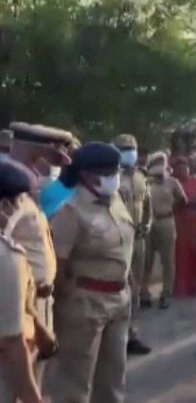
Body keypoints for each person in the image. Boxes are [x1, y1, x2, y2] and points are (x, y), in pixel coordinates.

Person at [46, 143, 135, 403]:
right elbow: (57, 268)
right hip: (84, 304)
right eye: (107, 173)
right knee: (75, 383)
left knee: (113, 380)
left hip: (119, 301)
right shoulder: (70, 211)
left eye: (115, 171)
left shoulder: (116, 201)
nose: (114, 177)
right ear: (87, 175)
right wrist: (70, 304)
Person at [4, 124, 68, 390]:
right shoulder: (9, 188)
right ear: (36, 152)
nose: (58, 157)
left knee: (35, 370)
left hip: (39, 299)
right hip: (21, 304)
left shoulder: (27, 184)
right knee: (16, 378)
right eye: (53, 151)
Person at [0, 160, 43, 403]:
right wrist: (32, 398)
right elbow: (10, 345)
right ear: (5, 205)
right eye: (18, 203)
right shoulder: (6, 257)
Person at [113, 134, 152, 356]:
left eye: (131, 148)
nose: (129, 152)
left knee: (135, 289)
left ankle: (131, 335)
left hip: (138, 239)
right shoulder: (110, 176)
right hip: (117, 241)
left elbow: (147, 205)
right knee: (118, 289)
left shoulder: (140, 176)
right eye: (124, 148)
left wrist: (147, 223)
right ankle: (115, 336)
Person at [141, 153, 185, 309]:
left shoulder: (172, 182)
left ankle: (166, 293)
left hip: (166, 221)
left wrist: (170, 210)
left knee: (168, 260)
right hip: (148, 223)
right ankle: (144, 293)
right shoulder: (146, 182)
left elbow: (182, 200)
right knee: (146, 260)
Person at [173, 154, 196, 297]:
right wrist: (189, 202)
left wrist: (186, 202)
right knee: (182, 255)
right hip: (180, 223)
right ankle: (183, 288)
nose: (183, 170)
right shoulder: (174, 183)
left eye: (185, 167)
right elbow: (174, 204)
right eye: (179, 168)